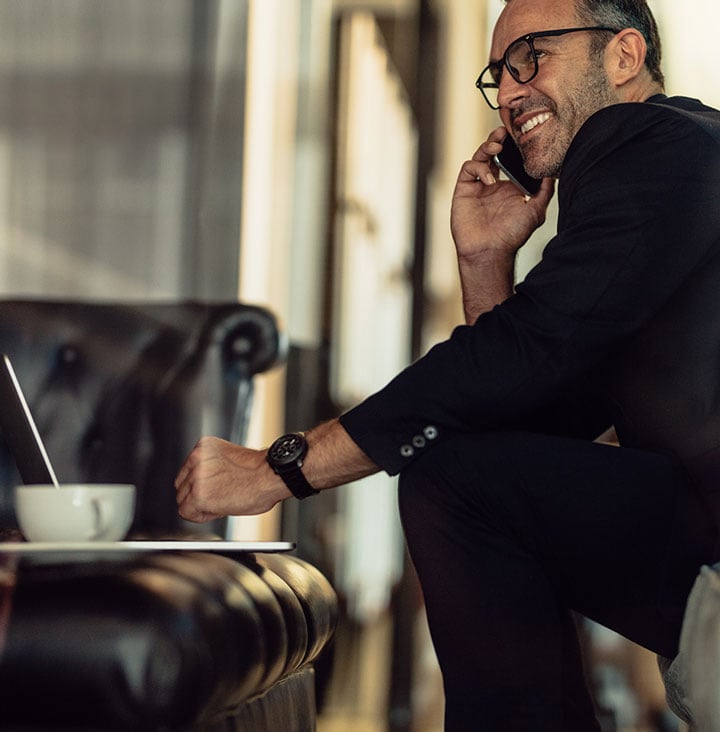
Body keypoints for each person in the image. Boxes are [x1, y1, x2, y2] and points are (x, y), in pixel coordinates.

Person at [175, 0, 720, 728]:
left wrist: (280, 468)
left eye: (533, 56)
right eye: (499, 73)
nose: (513, 88)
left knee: (451, 482)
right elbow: (531, 413)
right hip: (701, 538)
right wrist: (485, 260)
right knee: (466, 473)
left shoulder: (644, 141)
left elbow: (521, 359)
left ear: (624, 56)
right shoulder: (677, 167)